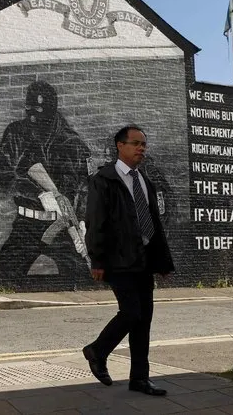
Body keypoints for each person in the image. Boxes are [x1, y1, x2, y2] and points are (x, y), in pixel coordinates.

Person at [83, 125, 174, 396]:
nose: (141, 148)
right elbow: (95, 221)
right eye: (136, 143)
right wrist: (97, 260)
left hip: (143, 260)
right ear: (120, 146)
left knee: (144, 319)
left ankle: (140, 379)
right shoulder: (104, 179)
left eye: (144, 144)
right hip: (117, 259)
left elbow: (154, 224)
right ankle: (97, 350)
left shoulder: (146, 182)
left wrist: (163, 263)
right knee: (131, 313)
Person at [0, 80, 92, 277]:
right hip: (26, 224)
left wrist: (82, 222)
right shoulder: (17, 133)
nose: (32, 116)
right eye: (28, 109)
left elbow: (86, 188)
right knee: (3, 270)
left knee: (80, 273)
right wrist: (39, 193)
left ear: (52, 110)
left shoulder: (73, 144)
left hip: (62, 225)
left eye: (38, 110)